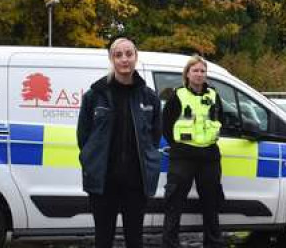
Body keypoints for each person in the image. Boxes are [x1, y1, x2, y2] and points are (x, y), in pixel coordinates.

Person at [77, 37, 162, 248]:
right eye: (118, 55)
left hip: (136, 183)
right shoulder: (94, 96)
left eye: (129, 54)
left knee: (135, 239)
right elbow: (84, 136)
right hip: (104, 183)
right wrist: (91, 160)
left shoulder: (150, 98)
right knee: (103, 239)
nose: (124, 59)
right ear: (111, 59)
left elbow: (154, 137)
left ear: (136, 57)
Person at [161, 56, 226, 248]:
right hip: (183, 157)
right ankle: (170, 243)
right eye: (195, 70)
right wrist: (178, 146)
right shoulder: (177, 95)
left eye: (202, 71)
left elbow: (220, 119)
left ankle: (213, 243)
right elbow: (166, 125)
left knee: (211, 204)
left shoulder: (214, 95)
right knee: (174, 203)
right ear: (187, 74)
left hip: (209, 157)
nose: (199, 74)